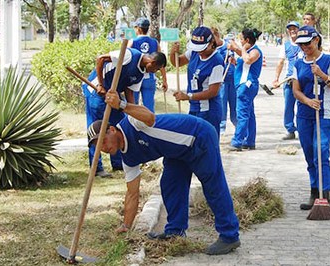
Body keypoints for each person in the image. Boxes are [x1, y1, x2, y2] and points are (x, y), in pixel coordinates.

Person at [88, 90, 241, 255]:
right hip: (176, 153)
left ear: (111, 130)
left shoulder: (132, 122)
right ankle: (175, 231)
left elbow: (150, 117)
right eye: (99, 147)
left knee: (213, 186)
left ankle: (229, 235)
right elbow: (132, 194)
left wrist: (121, 105)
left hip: (197, 136)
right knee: (170, 184)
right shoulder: (128, 159)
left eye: (103, 141)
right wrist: (126, 226)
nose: (104, 148)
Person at [83, 48, 166, 177]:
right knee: (97, 129)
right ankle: (96, 167)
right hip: (96, 91)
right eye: (156, 69)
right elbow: (101, 59)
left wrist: (132, 113)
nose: (154, 72)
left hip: (113, 96)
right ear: (152, 62)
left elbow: (129, 93)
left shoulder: (140, 73)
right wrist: (100, 84)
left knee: (119, 126)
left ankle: (117, 163)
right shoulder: (129, 55)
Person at [292, 26, 330, 210]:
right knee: (309, 154)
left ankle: (325, 195)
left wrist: (322, 75)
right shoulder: (298, 63)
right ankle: (314, 193)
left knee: (320, 151)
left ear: (316, 40)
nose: (304, 47)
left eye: (307, 43)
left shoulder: (329, 61)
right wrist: (307, 101)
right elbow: (296, 90)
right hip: (305, 115)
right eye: (301, 44)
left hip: (325, 114)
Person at [170, 26, 224, 139]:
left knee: (207, 147)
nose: (199, 51)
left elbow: (213, 92)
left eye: (202, 48)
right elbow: (177, 62)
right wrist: (172, 53)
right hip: (194, 108)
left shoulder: (217, 61)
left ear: (211, 43)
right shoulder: (194, 53)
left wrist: (188, 96)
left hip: (209, 111)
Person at [227, 28, 263, 151]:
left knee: (242, 114)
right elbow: (244, 65)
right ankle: (249, 140)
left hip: (246, 86)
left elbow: (248, 60)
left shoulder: (255, 52)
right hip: (243, 84)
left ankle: (237, 141)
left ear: (247, 40)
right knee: (249, 114)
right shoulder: (247, 51)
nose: (240, 41)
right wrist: (235, 62)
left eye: (241, 39)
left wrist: (242, 48)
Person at [128, 17, 168, 112]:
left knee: (132, 106)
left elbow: (126, 61)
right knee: (149, 107)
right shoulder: (155, 42)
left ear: (138, 28)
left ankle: (132, 126)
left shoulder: (132, 42)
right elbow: (160, 61)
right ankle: (149, 125)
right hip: (149, 78)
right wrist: (164, 80)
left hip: (134, 78)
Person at [273, 21, 302, 140]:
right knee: (288, 107)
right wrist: (276, 78)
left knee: (302, 107)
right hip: (289, 81)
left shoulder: (304, 44)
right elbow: (280, 62)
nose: (292, 31)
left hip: (302, 81)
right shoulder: (285, 46)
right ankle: (290, 130)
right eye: (290, 29)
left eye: (295, 28)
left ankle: (303, 130)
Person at [211, 27, 237, 135]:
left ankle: (238, 127)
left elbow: (236, 61)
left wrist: (233, 60)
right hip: (220, 81)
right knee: (222, 105)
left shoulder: (228, 45)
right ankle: (221, 128)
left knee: (234, 104)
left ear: (217, 36)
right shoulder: (211, 49)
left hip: (232, 78)